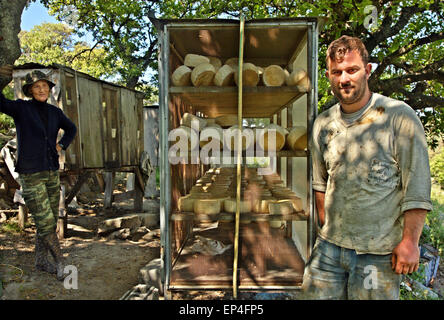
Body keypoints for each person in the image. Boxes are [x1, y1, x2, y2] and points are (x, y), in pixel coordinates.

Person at [302, 35, 433, 299]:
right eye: (337, 72)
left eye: (352, 70)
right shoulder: (323, 124)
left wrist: (410, 242)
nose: (344, 79)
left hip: (377, 253)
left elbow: (416, 186)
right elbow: (320, 184)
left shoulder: (398, 117)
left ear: (368, 70)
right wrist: (325, 231)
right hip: (329, 250)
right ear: (328, 75)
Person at [0, 69, 77, 281]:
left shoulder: (55, 112)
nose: (42, 89)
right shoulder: (21, 108)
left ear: (49, 89)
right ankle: (60, 262)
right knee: (44, 220)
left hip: (51, 171)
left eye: (45, 86)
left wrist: (61, 145)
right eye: (37, 86)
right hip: (30, 173)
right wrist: (2, 77)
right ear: (30, 90)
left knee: (50, 220)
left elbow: (71, 129)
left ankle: (41, 260)